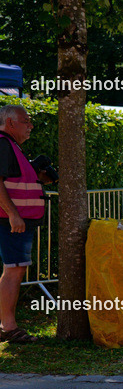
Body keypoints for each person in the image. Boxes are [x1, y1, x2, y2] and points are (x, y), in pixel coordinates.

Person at [0, 105, 52, 343]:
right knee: (14, 270)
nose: (30, 125)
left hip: (15, 220)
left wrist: (39, 177)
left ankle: (7, 325)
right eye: (26, 120)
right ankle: (8, 327)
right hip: (11, 221)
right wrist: (13, 214)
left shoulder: (11, 145)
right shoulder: (4, 143)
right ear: (10, 122)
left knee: (14, 269)